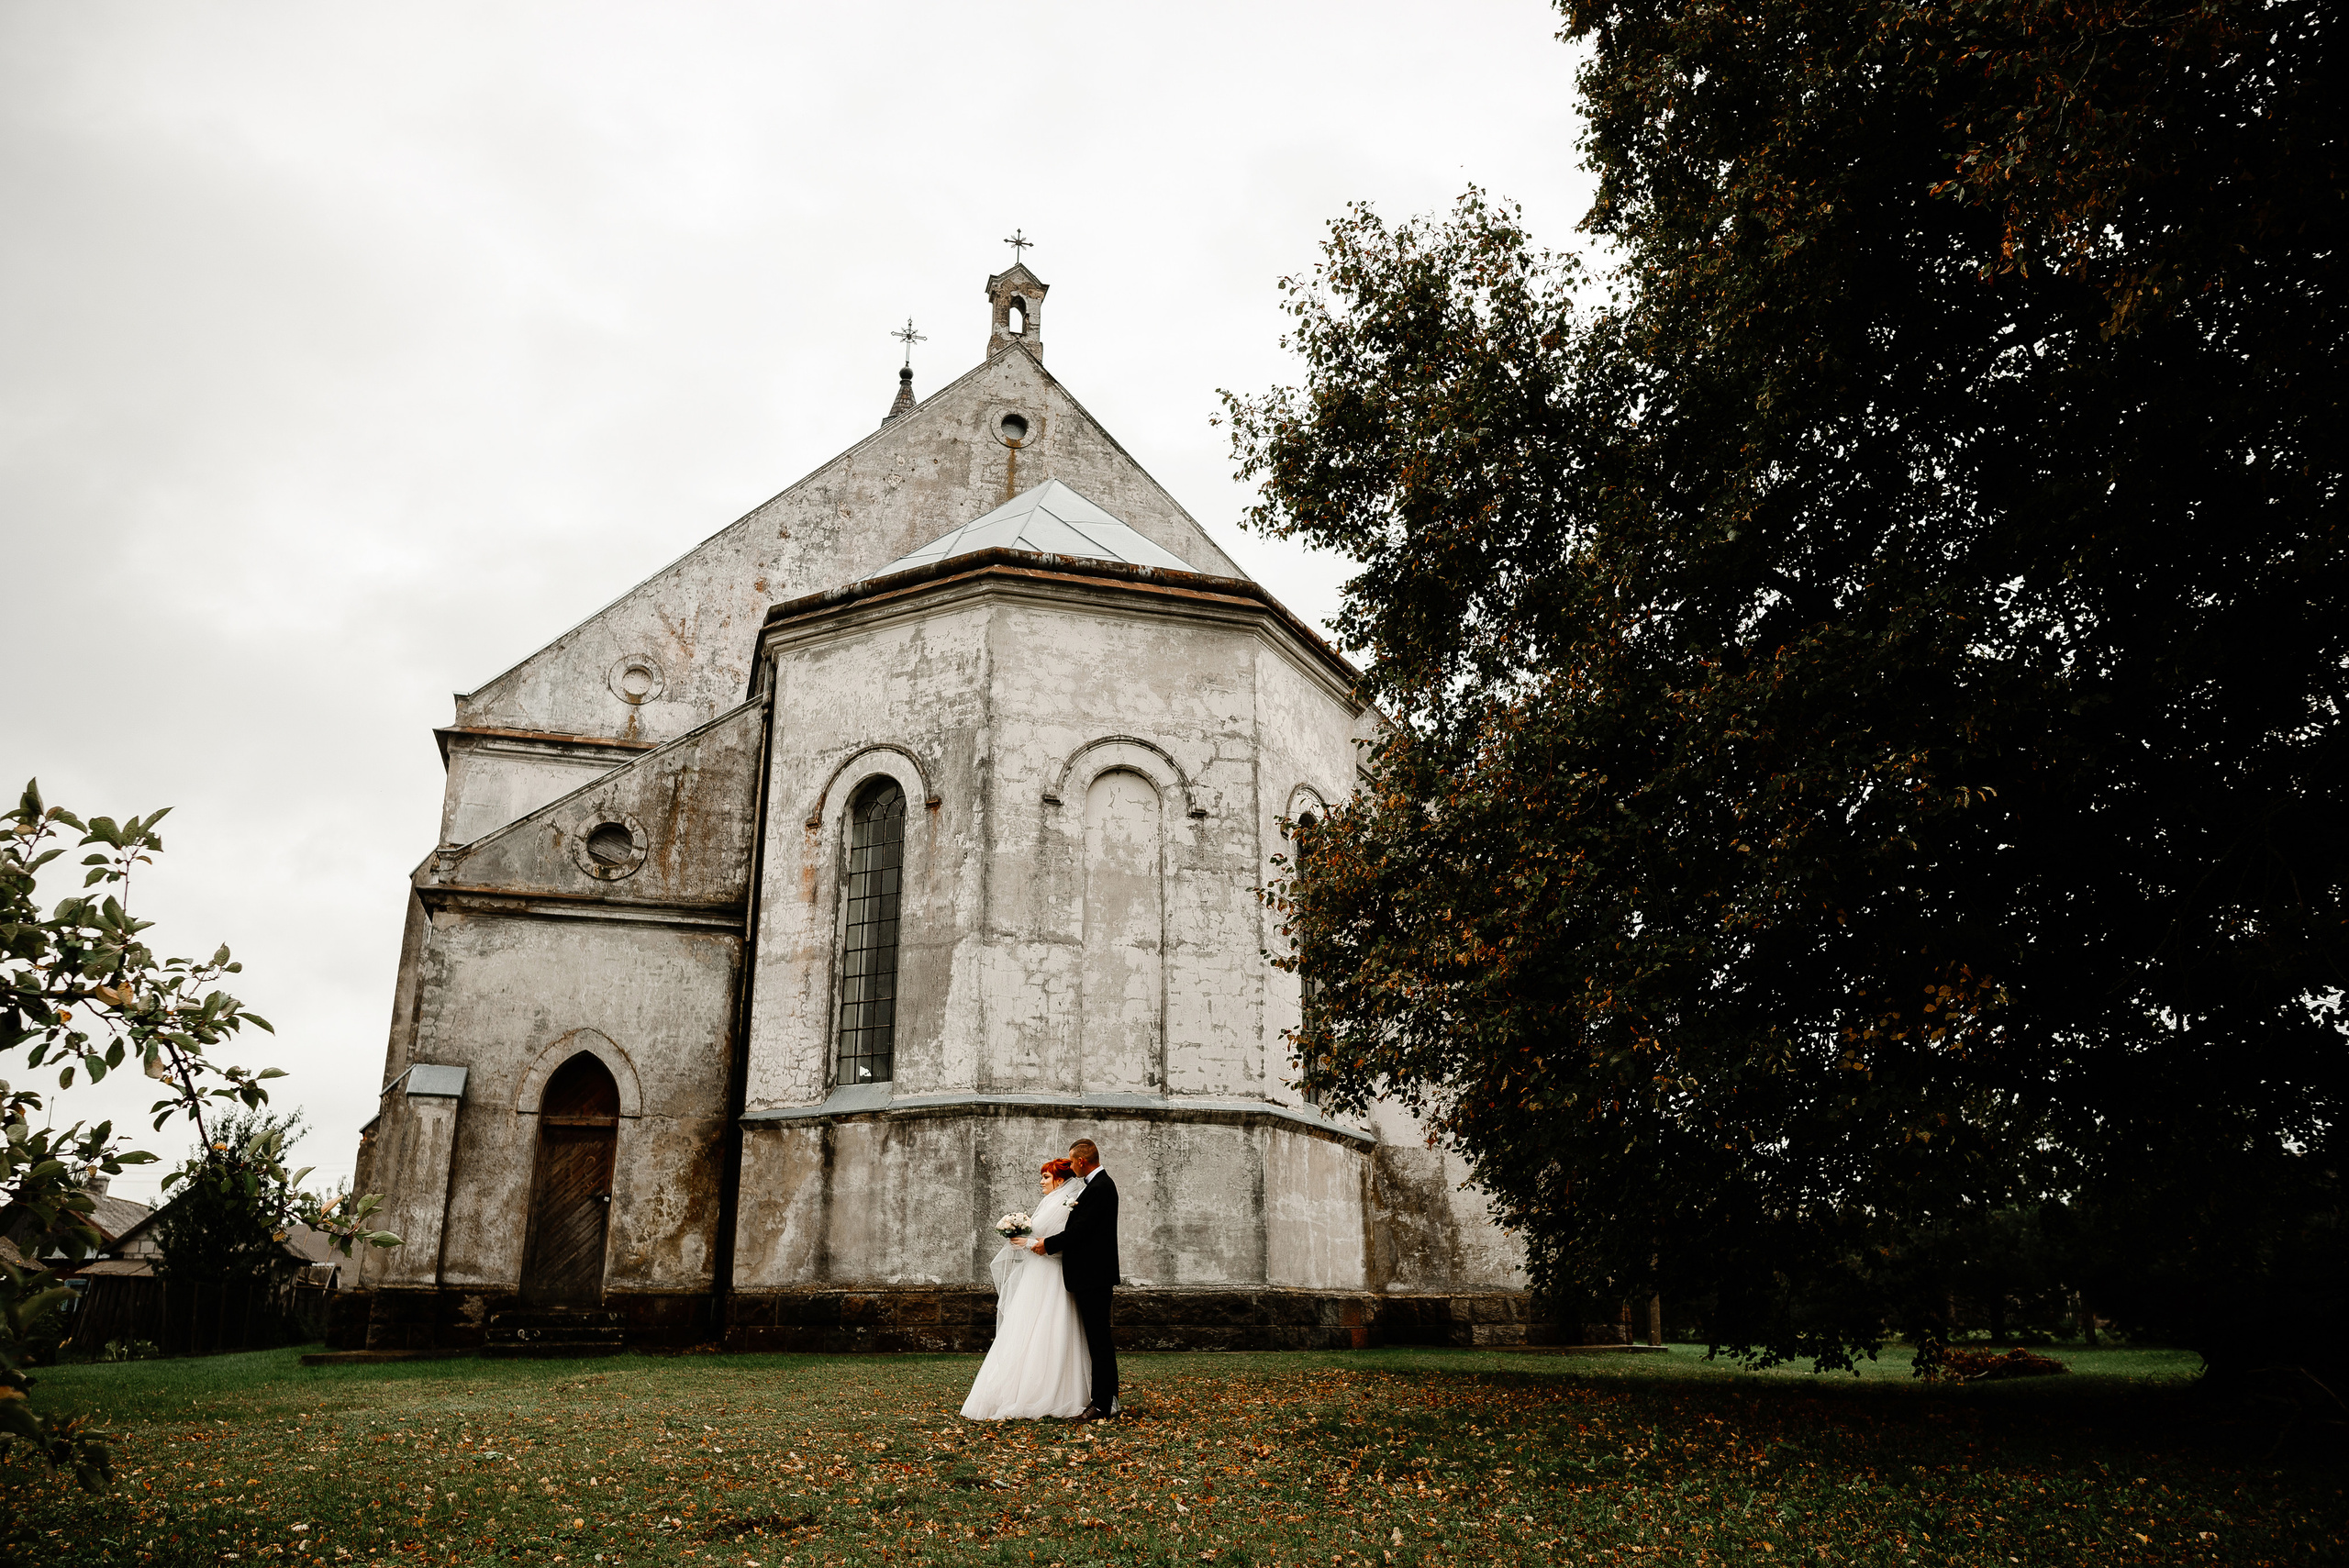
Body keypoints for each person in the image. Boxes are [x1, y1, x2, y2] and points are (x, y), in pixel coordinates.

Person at [960, 1158, 1091, 1420]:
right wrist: (1022, 1240)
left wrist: (1029, 1243)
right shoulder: (1049, 1202)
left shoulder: (1067, 1204)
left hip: (1052, 1276)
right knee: (1025, 1329)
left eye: (1046, 1177)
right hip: (1036, 1274)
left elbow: (1063, 1243)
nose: (1041, 1181)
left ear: (1060, 1180)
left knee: (1051, 1329)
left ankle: (1052, 1394)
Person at [1031, 1138, 1119, 1419]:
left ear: (1081, 1161)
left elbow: (1081, 1231)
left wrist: (1048, 1244)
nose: (1070, 1167)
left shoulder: (1100, 1188)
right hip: (1091, 1276)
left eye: (1072, 1162)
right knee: (1098, 1340)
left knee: (1098, 1341)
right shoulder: (1095, 1186)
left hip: (1093, 1276)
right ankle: (1107, 1399)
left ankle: (1102, 1403)